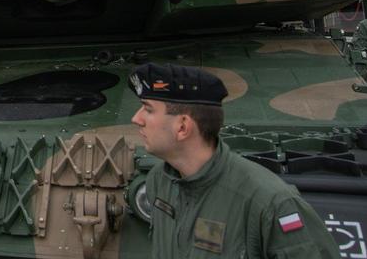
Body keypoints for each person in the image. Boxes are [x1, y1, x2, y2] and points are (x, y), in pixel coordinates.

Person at [129, 63, 338, 258]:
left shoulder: (269, 204)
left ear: (182, 127)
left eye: (148, 109)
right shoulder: (161, 180)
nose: (136, 118)